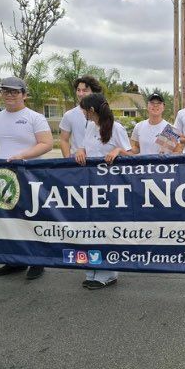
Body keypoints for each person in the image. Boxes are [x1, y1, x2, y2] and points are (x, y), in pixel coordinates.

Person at [0, 77, 53, 280]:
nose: (9, 95)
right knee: (8, 219)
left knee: (30, 218)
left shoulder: (35, 117)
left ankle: (37, 260)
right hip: (3, 178)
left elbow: (46, 143)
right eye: (6, 91)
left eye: (15, 92)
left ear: (24, 94)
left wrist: (22, 156)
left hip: (29, 174)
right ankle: (15, 260)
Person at [73, 93, 130, 288]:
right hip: (90, 185)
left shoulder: (117, 128)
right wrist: (80, 150)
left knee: (105, 228)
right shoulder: (89, 126)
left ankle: (108, 272)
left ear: (92, 110)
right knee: (91, 228)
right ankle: (92, 269)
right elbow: (84, 148)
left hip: (111, 186)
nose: (82, 112)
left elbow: (131, 153)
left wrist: (118, 151)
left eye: (84, 109)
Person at [58, 76, 101, 157]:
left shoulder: (102, 113)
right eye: (78, 90)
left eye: (85, 90)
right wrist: (68, 161)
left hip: (99, 164)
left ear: (94, 92)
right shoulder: (69, 115)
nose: (81, 94)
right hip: (78, 164)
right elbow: (64, 140)